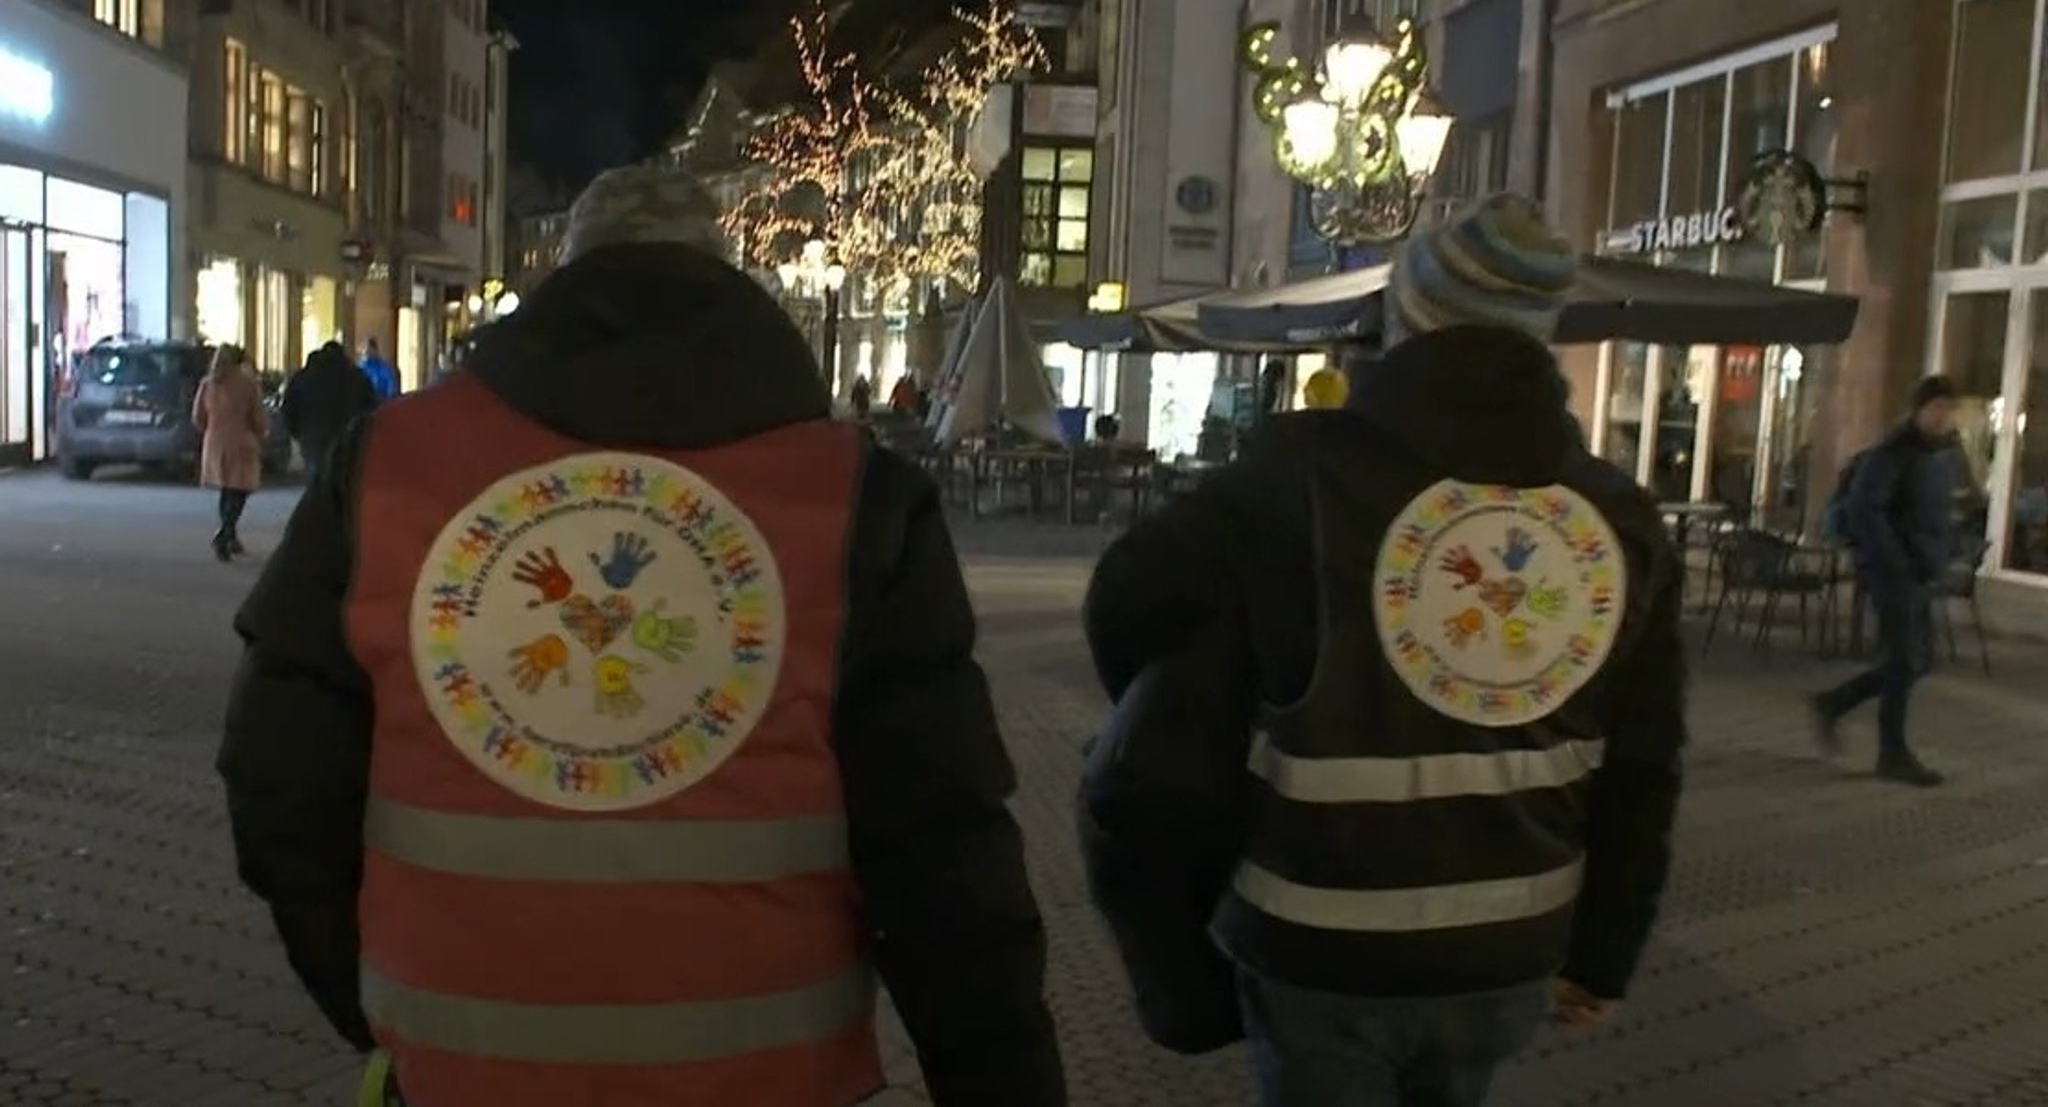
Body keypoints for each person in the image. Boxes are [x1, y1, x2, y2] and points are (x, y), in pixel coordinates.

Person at [216, 165, 1065, 1107]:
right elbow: (944, 856)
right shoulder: (852, 498)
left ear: (562, 283)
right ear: (730, 282)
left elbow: (276, 773)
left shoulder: (386, 466)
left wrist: (374, 998)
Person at [1080, 193, 1686, 1107]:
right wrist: (1606, 955)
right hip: (1513, 943)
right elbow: (1646, 763)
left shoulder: (1298, 480)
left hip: (1320, 939)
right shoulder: (1613, 515)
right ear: (1538, 337)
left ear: (1407, 319)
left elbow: (1124, 598)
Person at [1810, 375, 1961, 788]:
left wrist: (1944, 549)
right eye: (1936, 409)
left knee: (1918, 660)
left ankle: (1834, 703)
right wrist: (1894, 561)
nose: (1943, 417)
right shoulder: (1892, 454)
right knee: (1904, 660)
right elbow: (1865, 511)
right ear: (1918, 410)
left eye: (1949, 409)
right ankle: (1891, 753)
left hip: (1922, 569)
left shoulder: (1945, 455)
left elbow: (1940, 508)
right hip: (1892, 573)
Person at [194, 344, 269, 562]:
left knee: (227, 490)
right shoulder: (247, 384)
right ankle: (225, 533)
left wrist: (211, 429)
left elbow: (197, 417)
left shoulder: (207, 384)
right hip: (241, 442)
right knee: (240, 489)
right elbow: (257, 416)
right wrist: (262, 431)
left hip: (215, 442)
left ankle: (230, 536)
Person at [282, 341, 378, 487]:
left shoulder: (303, 377)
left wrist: (299, 433)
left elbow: (288, 409)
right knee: (346, 483)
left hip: (313, 438)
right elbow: (371, 409)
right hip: (348, 438)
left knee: (316, 482)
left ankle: (317, 507)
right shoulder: (357, 377)